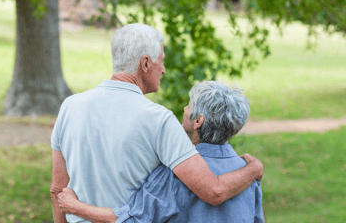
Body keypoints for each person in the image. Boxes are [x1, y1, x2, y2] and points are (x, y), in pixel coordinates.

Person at [50, 23, 263, 223]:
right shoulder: (158, 119)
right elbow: (214, 191)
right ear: (145, 63)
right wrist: (253, 170)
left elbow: (58, 190)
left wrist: (75, 209)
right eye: (160, 61)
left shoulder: (69, 107)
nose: (163, 69)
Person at [57, 81, 264, 222]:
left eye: (190, 105)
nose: (184, 109)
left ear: (198, 121)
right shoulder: (247, 174)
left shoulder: (176, 173)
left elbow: (131, 218)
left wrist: (75, 207)